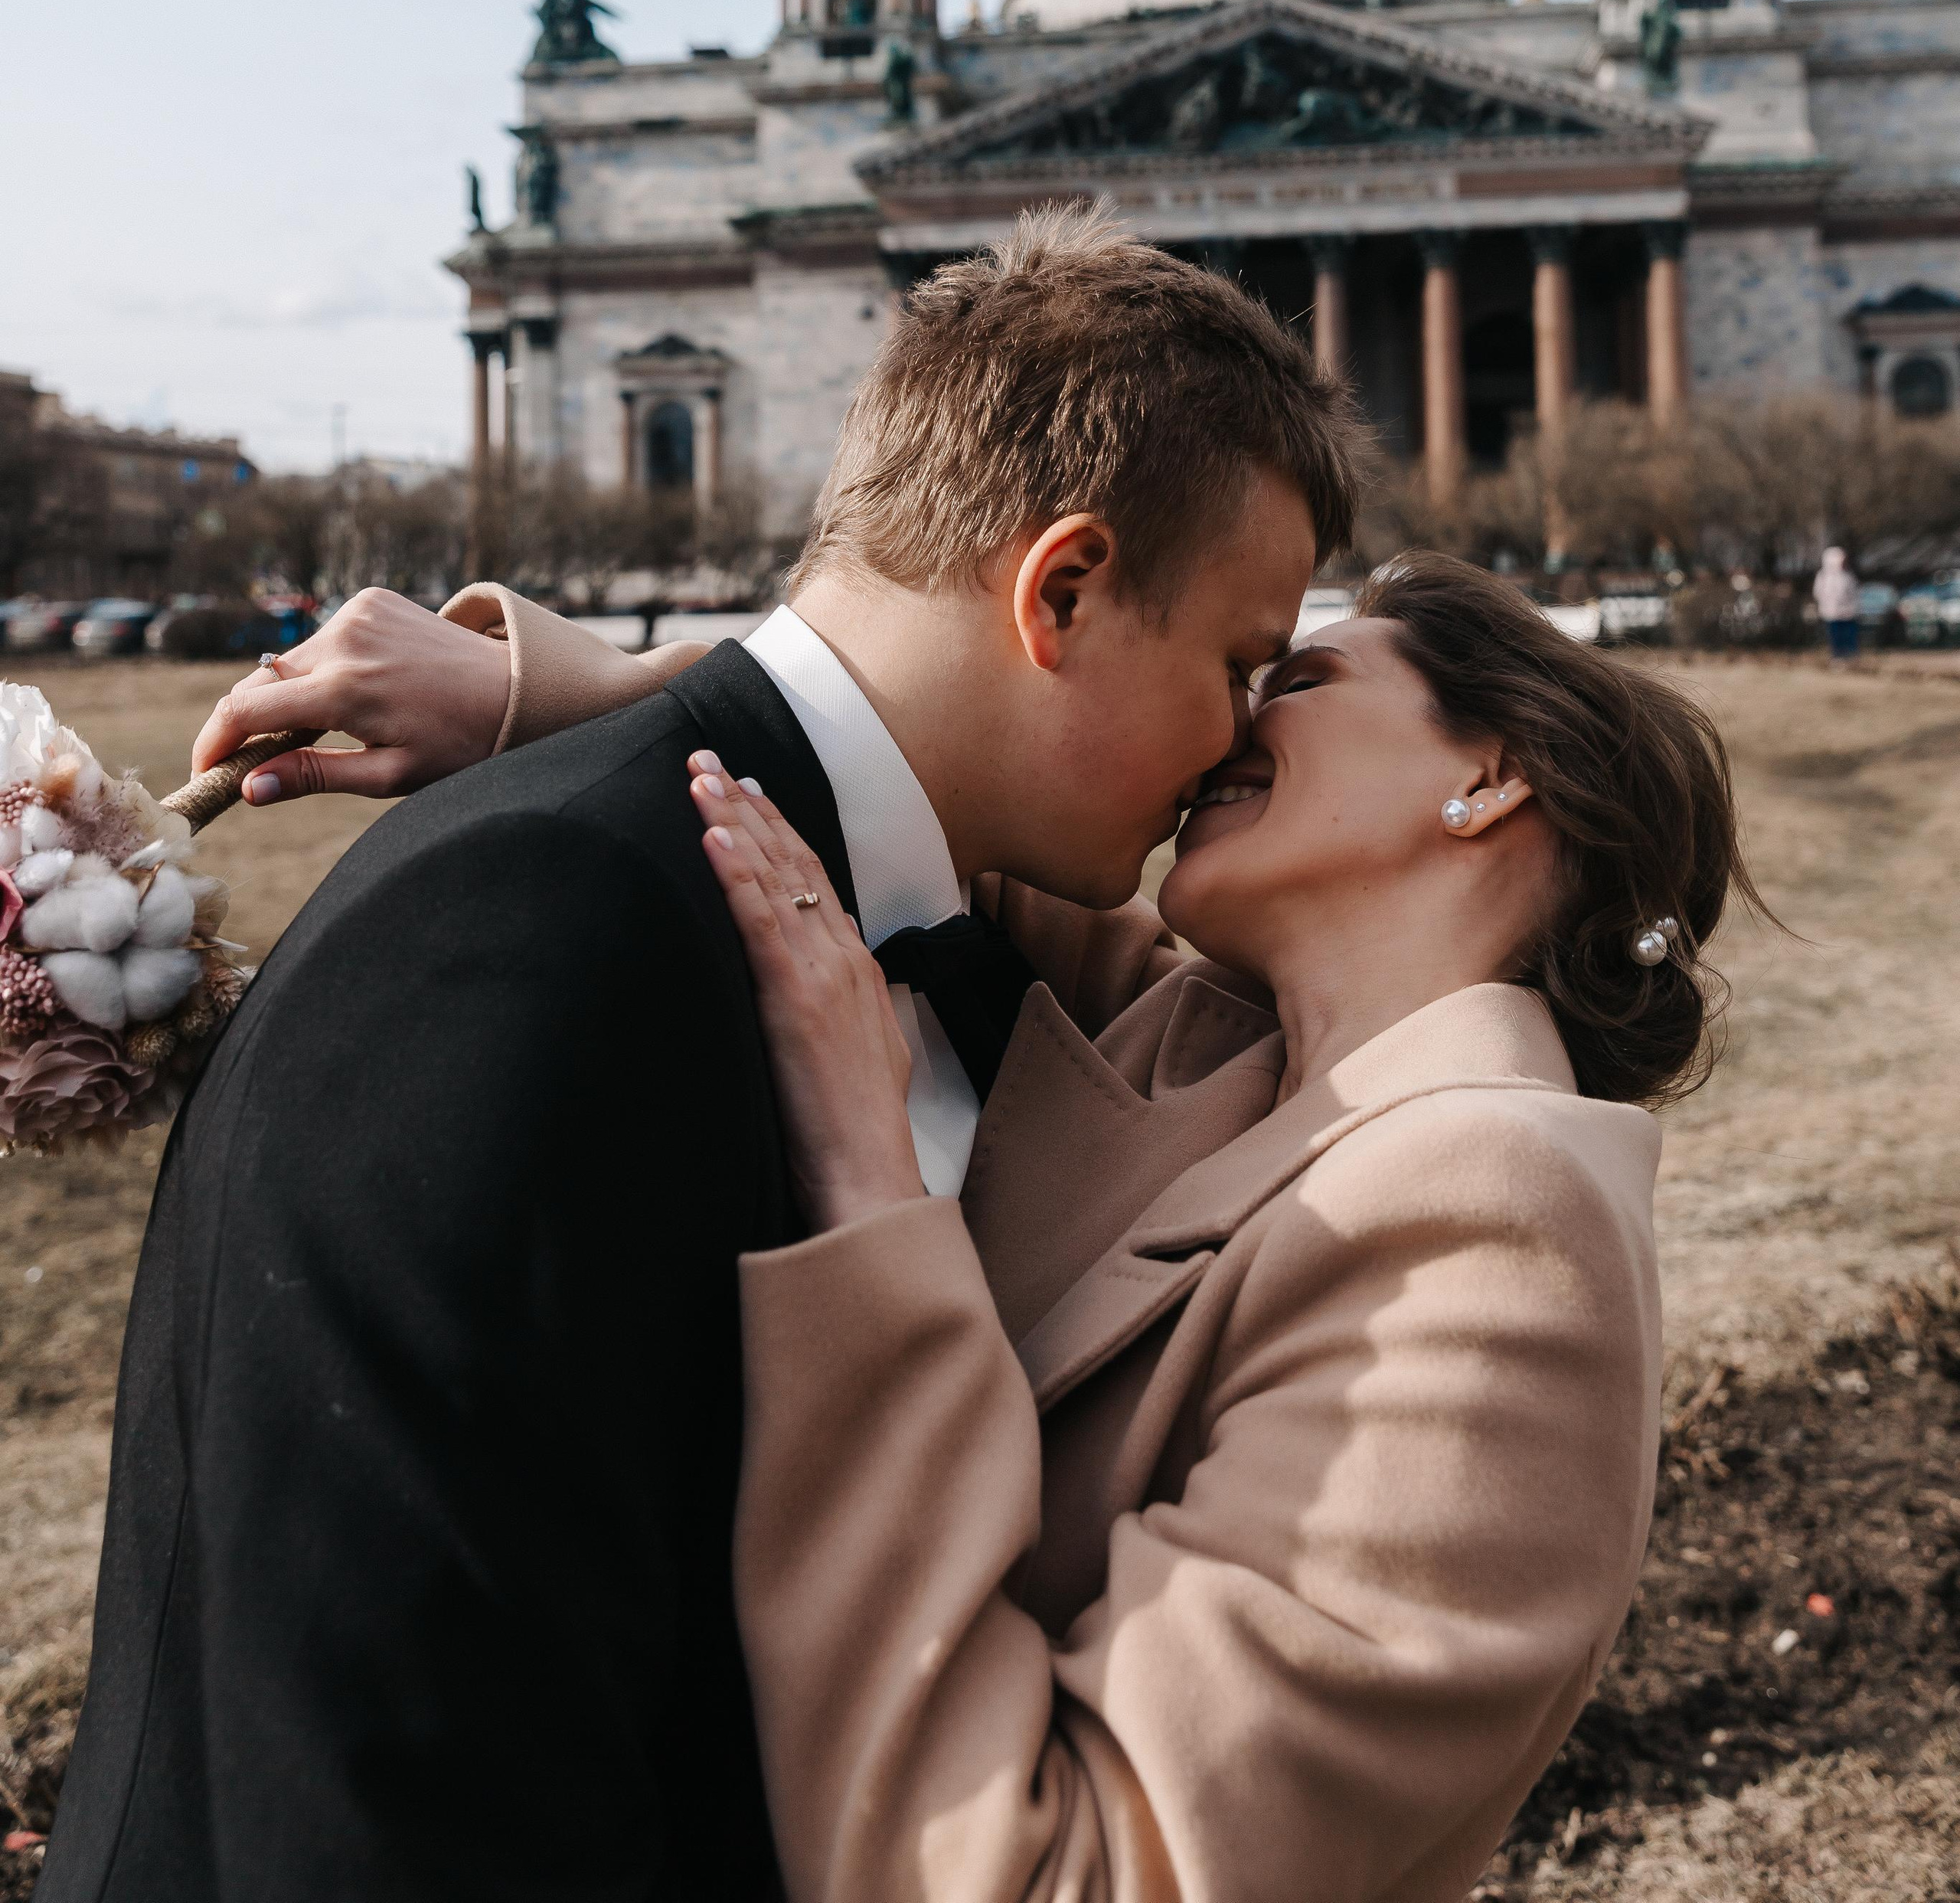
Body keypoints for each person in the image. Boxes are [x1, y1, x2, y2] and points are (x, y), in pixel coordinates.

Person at [41, 212, 1350, 1903]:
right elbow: (392, 1765)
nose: (1243, 742)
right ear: (1066, 589)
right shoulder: (530, 931)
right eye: (1239, 667)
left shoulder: (913, 920)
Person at [198, 536, 1756, 1903]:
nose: (1220, 716)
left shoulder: (1500, 1235)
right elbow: (897, 760)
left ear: (1488, 778)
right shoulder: (1199, 1033)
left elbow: (1066, 1874)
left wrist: (868, 1195)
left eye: (1290, 677)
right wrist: (541, 692)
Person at [1813, 542, 1861, 661]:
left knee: (1849, 635)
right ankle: (1838, 655)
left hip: (1849, 612)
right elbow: (1818, 592)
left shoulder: (1848, 575)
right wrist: (1827, 604)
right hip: (1832, 612)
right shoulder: (1823, 576)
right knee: (1836, 635)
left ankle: (1851, 655)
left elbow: (1854, 591)